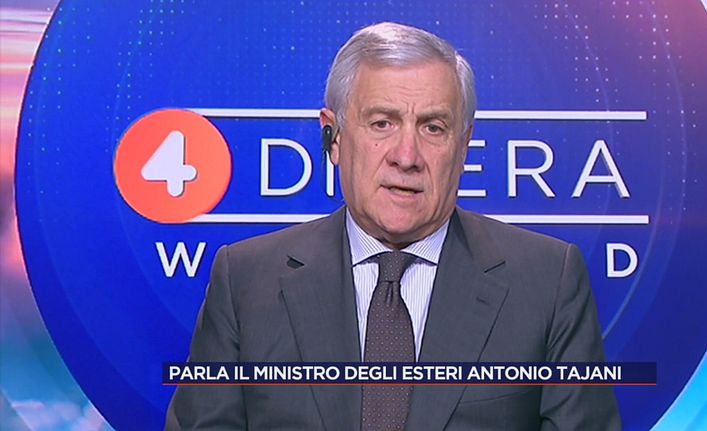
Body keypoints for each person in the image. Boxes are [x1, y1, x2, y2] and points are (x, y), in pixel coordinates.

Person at [166, 22, 620, 430]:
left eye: (433, 128)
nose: (407, 156)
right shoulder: (246, 281)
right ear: (333, 137)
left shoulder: (547, 281)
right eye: (382, 123)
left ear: (464, 146)